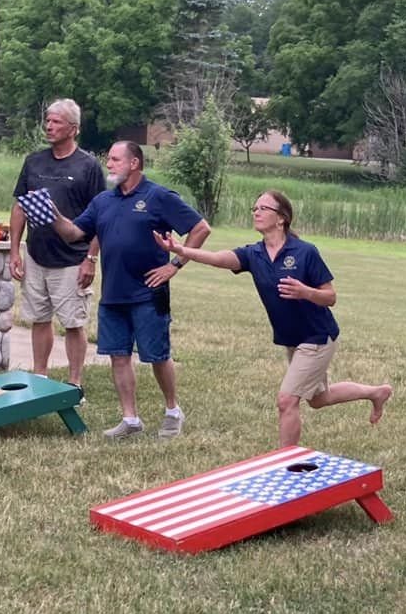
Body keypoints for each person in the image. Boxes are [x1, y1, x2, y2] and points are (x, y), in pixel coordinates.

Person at [159, 190, 392, 445]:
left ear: (281, 218)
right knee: (318, 399)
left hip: (317, 336)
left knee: (287, 400)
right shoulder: (254, 254)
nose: (256, 212)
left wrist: (306, 292)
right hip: (294, 339)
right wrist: (181, 249)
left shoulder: (304, 252)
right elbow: (218, 259)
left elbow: (330, 297)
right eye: (254, 208)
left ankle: (286, 464)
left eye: (263, 208)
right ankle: (375, 392)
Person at [37, 140, 210, 439]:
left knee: (157, 355)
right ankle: (130, 419)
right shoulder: (103, 201)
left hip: (148, 292)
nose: (110, 164)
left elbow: (201, 228)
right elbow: (74, 233)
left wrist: (174, 265)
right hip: (113, 294)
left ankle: (172, 411)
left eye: (116, 159)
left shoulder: (158, 196)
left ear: (134, 163)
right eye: (110, 159)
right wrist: (51, 213)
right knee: (118, 355)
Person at [7, 99, 104, 389]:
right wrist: (15, 251)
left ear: (73, 128)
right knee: (39, 318)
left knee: (73, 322)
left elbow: (102, 216)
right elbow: (19, 207)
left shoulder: (88, 166)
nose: (49, 126)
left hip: (73, 259)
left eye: (56, 121)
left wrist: (91, 258)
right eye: (48, 120)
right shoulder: (34, 161)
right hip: (37, 254)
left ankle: (74, 384)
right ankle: (40, 378)